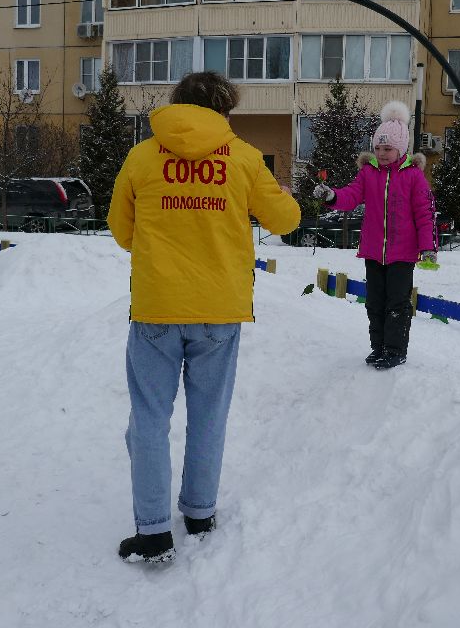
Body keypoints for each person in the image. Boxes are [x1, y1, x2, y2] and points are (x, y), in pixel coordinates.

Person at [107, 72, 300, 563]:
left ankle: (152, 532)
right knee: (208, 415)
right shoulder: (243, 157)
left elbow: (121, 230)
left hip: (156, 307)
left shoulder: (143, 156)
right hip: (219, 309)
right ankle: (198, 512)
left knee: (149, 419)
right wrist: (278, 193)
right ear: (224, 110)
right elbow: (286, 221)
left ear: (177, 104)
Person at [312, 100, 436, 370]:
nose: (382, 153)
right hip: (373, 251)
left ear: (401, 148)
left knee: (397, 304)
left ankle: (395, 350)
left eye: (388, 148)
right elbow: (350, 196)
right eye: (378, 148)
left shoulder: (414, 177)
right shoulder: (368, 174)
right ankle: (378, 347)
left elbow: (425, 215)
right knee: (375, 303)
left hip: (403, 254)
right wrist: (332, 195)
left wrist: (428, 247)